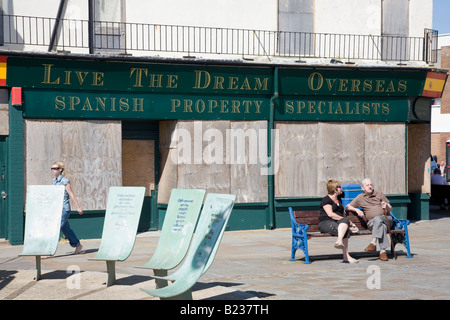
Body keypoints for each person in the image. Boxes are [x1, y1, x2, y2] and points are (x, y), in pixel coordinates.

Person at [345, 178, 393, 261]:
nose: (370, 187)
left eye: (371, 185)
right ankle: (382, 252)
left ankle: (373, 242)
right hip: (372, 223)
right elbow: (348, 206)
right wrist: (356, 210)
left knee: (378, 218)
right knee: (382, 227)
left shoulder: (379, 194)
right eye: (367, 185)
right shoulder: (360, 197)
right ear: (362, 188)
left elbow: (390, 209)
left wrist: (386, 206)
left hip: (386, 219)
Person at [318, 179, 359, 264]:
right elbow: (330, 214)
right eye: (339, 187)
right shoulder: (326, 200)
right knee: (345, 227)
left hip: (337, 223)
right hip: (325, 223)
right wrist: (347, 221)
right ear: (334, 189)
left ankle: (342, 249)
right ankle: (345, 254)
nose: (341, 188)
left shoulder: (339, 199)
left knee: (345, 228)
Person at [51, 161, 83, 254]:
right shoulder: (54, 181)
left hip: (65, 209)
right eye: (52, 168)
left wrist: (78, 207)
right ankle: (78, 245)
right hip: (57, 209)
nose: (53, 170)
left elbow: (71, 194)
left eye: (55, 168)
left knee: (56, 228)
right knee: (66, 230)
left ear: (60, 170)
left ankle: (50, 251)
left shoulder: (65, 181)